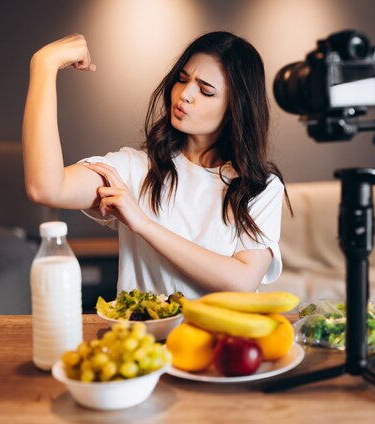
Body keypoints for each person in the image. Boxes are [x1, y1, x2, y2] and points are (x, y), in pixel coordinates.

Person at [22, 32, 289, 299]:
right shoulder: (133, 169)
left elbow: (242, 281)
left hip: (222, 340)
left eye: (206, 91)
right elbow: (45, 188)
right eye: (182, 80)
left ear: (235, 108)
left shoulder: (260, 187)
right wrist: (44, 65)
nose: (184, 94)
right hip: (142, 339)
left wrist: (142, 223)